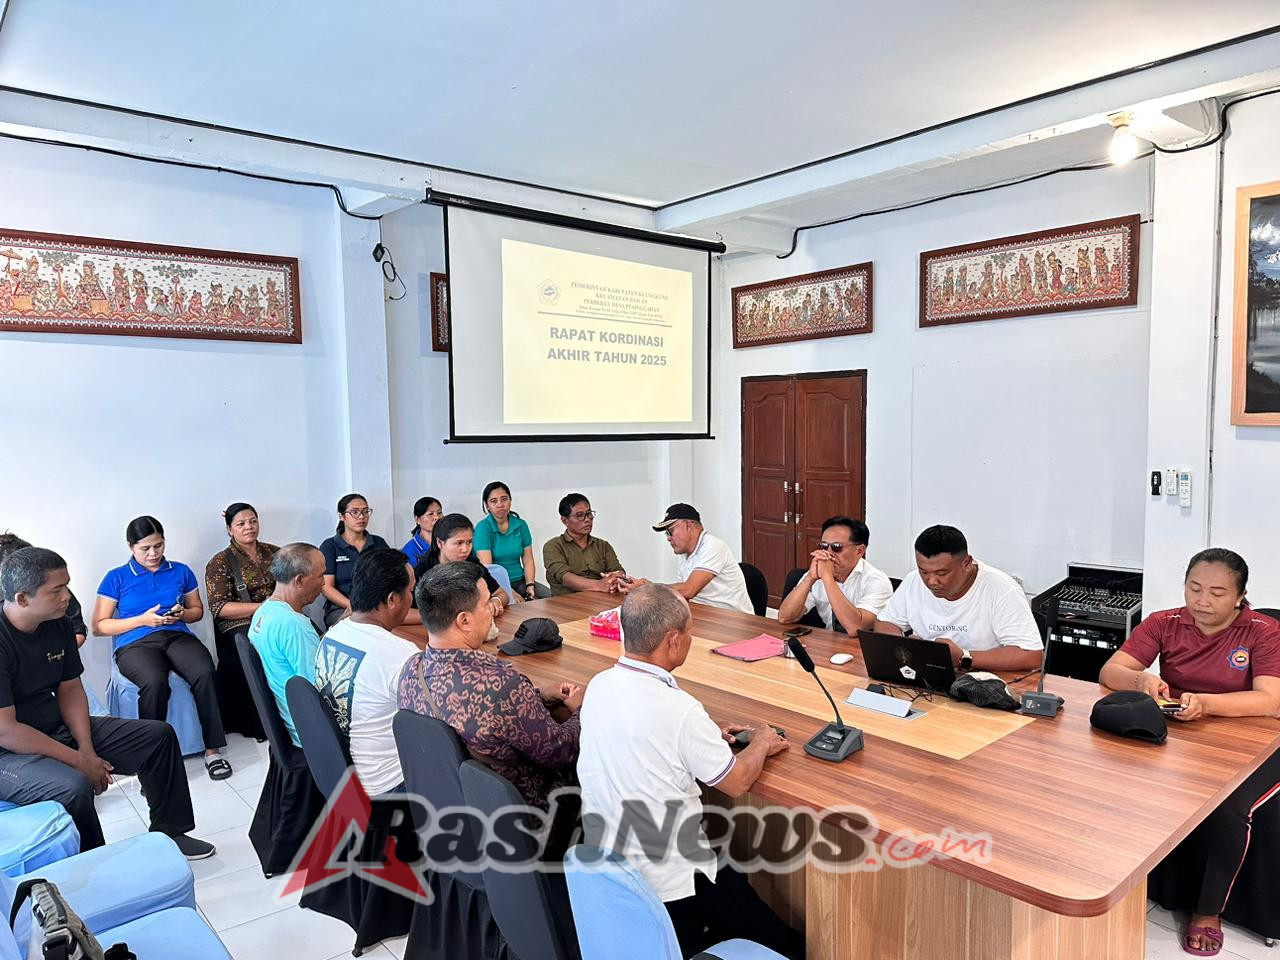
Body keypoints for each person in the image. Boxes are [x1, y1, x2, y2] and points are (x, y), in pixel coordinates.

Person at [578, 584, 802, 959]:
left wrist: (702, 736)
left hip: (612, 863)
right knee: (764, 920)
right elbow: (736, 782)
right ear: (673, 640)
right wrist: (762, 740)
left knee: (729, 874)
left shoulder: (600, 685)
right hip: (670, 880)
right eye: (691, 631)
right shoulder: (679, 709)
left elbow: (646, 735)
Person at [1099, 548, 1280, 957]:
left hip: (1255, 739)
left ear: (1240, 596)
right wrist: (1141, 679)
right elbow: (1110, 671)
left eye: (1217, 592)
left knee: (1229, 808)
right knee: (1116, 773)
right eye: (1194, 588)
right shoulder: (1166, 621)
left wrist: (1206, 703)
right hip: (1184, 729)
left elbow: (1271, 700)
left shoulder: (1263, 631)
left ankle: (1207, 912)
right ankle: (1130, 882)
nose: (1202, 600)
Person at [0, 547, 215, 858]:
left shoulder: (57, 623)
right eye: (57, 590)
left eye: (67, 585)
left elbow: (71, 689)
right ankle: (96, 864)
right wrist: (78, 761)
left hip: (53, 727)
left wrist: (85, 748)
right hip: (7, 753)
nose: (67, 597)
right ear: (22, 598)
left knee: (157, 736)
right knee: (72, 786)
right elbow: (7, 731)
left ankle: (171, 833)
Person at [398, 562, 581, 808]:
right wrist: (581, 711)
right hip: (525, 813)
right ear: (464, 620)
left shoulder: (411, 670)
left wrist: (536, 697)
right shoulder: (501, 687)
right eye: (487, 604)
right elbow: (562, 752)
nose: (492, 611)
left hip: (455, 807)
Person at [93, 516, 231, 780]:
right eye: (145, 548)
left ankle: (212, 750)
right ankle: (151, 759)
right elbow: (99, 626)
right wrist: (142, 620)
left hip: (176, 635)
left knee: (204, 672)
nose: (153, 553)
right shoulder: (116, 578)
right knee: (154, 682)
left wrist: (182, 614)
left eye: (158, 545)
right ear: (131, 546)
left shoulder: (180, 571)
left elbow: (197, 612)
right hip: (135, 643)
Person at [314, 548, 418, 796]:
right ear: (392, 599)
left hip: (340, 773)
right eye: (411, 591)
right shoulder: (401, 655)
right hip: (387, 784)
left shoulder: (333, 634)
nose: (412, 599)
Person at [873, 525, 1042, 672]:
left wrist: (964, 658)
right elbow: (885, 623)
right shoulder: (913, 581)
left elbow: (1031, 655)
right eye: (923, 571)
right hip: (927, 675)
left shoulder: (1001, 589)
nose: (931, 581)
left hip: (984, 681)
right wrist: (906, 648)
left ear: (967, 563)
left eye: (942, 573)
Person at [0, 533, 104, 714]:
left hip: (54, 669)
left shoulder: (56, 597)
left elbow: (78, 632)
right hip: (14, 691)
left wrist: (52, 657)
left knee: (92, 714)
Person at [204, 501, 279, 740]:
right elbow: (220, 607)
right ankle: (262, 723)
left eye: (253, 521)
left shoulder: (275, 553)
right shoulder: (220, 562)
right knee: (255, 646)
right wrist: (261, 608)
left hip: (276, 614)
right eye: (241, 523)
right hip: (239, 622)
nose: (249, 527)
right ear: (230, 529)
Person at [248, 543, 326, 747]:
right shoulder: (294, 625)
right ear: (299, 580)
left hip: (291, 721)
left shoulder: (263, 613)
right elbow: (319, 688)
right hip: (312, 732)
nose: (323, 584)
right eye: (320, 576)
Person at [624, 504, 752, 615]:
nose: (668, 538)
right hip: (705, 616)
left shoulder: (713, 546)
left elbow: (688, 590)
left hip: (734, 621)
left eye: (670, 531)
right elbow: (682, 596)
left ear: (688, 526)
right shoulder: (684, 555)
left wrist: (648, 589)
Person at [778, 516, 893, 634]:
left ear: (860, 551)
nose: (828, 553)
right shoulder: (818, 573)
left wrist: (827, 578)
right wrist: (809, 579)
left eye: (836, 547)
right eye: (823, 546)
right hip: (829, 643)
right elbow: (784, 617)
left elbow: (855, 628)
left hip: (862, 647)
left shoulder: (876, 581)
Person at [413, 513, 510, 620]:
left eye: (469, 542)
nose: (465, 549)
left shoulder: (472, 563)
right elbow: (405, 611)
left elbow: (501, 594)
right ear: (440, 543)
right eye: (459, 543)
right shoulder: (423, 570)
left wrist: (496, 601)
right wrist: (440, 617)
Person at [319, 493, 391, 628]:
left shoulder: (378, 543)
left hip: (376, 606)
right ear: (341, 516)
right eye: (354, 512)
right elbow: (326, 587)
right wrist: (352, 605)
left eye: (365, 512)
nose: (361, 517)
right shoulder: (330, 546)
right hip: (343, 607)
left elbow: (389, 578)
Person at [474, 481, 548, 601]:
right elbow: (488, 568)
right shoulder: (483, 528)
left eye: (504, 499)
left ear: (510, 500)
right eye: (494, 501)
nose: (500, 504)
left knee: (548, 597)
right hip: (494, 585)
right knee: (515, 606)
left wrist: (530, 585)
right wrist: (509, 592)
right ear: (487, 505)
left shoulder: (521, 525)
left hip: (520, 581)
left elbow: (528, 559)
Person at [543, 493, 626, 596]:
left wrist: (616, 578)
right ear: (565, 520)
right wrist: (599, 585)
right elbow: (564, 577)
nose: (587, 519)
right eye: (580, 516)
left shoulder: (602, 545)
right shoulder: (553, 546)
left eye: (589, 514)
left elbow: (618, 570)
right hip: (566, 603)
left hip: (601, 601)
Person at [401, 496, 444, 567]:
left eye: (439, 513)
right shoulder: (409, 551)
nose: (437, 517)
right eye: (430, 514)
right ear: (417, 519)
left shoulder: (448, 540)